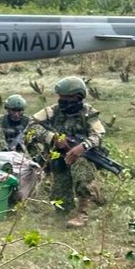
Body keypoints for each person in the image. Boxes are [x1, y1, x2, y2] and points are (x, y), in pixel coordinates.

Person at [31, 76, 106, 229]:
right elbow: (31, 125)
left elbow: (98, 134)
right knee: (60, 203)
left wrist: (83, 147)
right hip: (59, 158)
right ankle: (88, 196)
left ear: (78, 97)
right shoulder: (52, 111)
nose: (63, 101)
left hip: (83, 156)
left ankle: (82, 213)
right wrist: (52, 138)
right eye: (61, 97)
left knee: (82, 172)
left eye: (67, 98)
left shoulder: (88, 112)